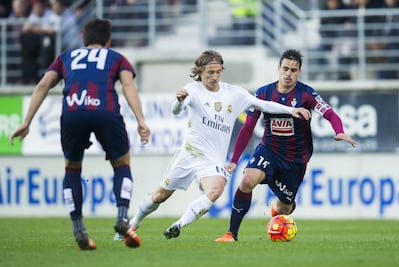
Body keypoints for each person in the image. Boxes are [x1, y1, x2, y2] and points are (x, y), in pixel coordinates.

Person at [114, 49, 311, 241]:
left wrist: (291, 110)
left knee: (215, 191)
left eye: (218, 72)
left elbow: (263, 104)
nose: (215, 76)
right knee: (159, 196)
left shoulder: (234, 93)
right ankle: (133, 223)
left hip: (212, 161)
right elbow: (177, 110)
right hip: (189, 154)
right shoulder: (192, 89)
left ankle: (178, 225)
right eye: (210, 72)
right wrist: (179, 101)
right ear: (200, 72)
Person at [9, 18, 150, 250]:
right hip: (105, 111)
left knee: (72, 168)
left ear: (84, 39)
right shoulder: (116, 58)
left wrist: (27, 121)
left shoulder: (66, 57)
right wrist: (141, 120)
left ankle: (79, 230)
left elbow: (44, 84)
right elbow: (127, 85)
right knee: (121, 163)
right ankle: (123, 218)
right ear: (108, 40)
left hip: (73, 112)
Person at [215, 49, 357, 242]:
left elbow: (329, 112)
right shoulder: (263, 93)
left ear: (299, 72)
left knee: (284, 208)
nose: (288, 73)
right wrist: (233, 160)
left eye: (293, 70)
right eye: (285, 68)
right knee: (247, 181)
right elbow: (248, 127)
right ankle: (232, 233)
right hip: (269, 150)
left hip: (295, 159)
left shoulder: (306, 94)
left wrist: (339, 130)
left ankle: (280, 208)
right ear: (278, 68)